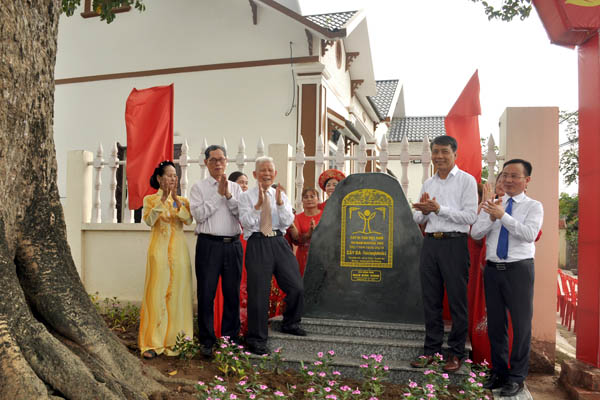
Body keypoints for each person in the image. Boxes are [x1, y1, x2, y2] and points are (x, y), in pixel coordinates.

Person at [471, 159, 543, 397]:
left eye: (514, 176)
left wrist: (503, 216)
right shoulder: (493, 204)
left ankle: (517, 377)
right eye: (505, 175)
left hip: (519, 270)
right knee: (496, 325)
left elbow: (529, 235)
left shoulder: (534, 207)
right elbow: (476, 233)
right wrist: (491, 216)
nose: (508, 180)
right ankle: (499, 371)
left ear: (526, 181)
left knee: (521, 326)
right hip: (493, 270)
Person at [410, 135, 478, 373]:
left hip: (455, 244)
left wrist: (439, 209)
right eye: (435, 152)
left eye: (444, 151)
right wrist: (424, 210)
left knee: (458, 301)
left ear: (455, 153)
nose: (439, 156)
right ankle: (431, 350)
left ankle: (457, 353)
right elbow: (419, 218)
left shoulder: (467, 181)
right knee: (431, 300)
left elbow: (470, 217)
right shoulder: (429, 184)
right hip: (431, 244)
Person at [239, 156, 306, 355]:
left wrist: (277, 203)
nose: (267, 173)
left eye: (270, 170)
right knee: (259, 294)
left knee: (296, 286)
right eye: (262, 170)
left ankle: (290, 322)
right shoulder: (246, 197)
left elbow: (286, 221)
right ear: (255, 174)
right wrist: (258, 205)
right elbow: (247, 222)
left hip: (278, 241)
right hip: (258, 242)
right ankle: (256, 339)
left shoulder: (281, 195)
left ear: (274, 174)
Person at [189, 145, 243, 357]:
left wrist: (228, 195)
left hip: (233, 245)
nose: (218, 164)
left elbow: (241, 214)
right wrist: (217, 196)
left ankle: (230, 340)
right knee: (206, 293)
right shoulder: (198, 188)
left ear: (227, 162)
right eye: (213, 160)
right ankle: (207, 341)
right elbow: (199, 215)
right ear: (206, 163)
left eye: (221, 159)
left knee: (232, 294)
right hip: (208, 245)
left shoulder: (236, 188)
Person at [138, 160, 194, 359]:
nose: (173, 178)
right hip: (158, 251)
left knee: (179, 294)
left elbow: (188, 220)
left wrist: (176, 199)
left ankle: (177, 341)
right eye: (169, 175)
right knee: (156, 293)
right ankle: (152, 342)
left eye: (175, 175)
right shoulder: (150, 200)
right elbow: (149, 221)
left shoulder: (183, 201)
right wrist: (162, 199)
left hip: (179, 252)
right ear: (160, 178)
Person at [228, 171, 250, 335]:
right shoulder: (230, 202)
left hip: (250, 244)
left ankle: (247, 326)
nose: (244, 185)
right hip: (236, 244)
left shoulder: (250, 201)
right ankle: (236, 327)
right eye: (241, 182)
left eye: (246, 182)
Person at [288, 188, 322, 276]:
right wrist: (309, 234)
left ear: (318, 199)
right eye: (306, 197)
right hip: (303, 257)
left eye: (312, 196)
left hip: (322, 256)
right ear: (302, 200)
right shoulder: (297, 218)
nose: (309, 199)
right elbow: (297, 239)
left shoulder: (325, 215)